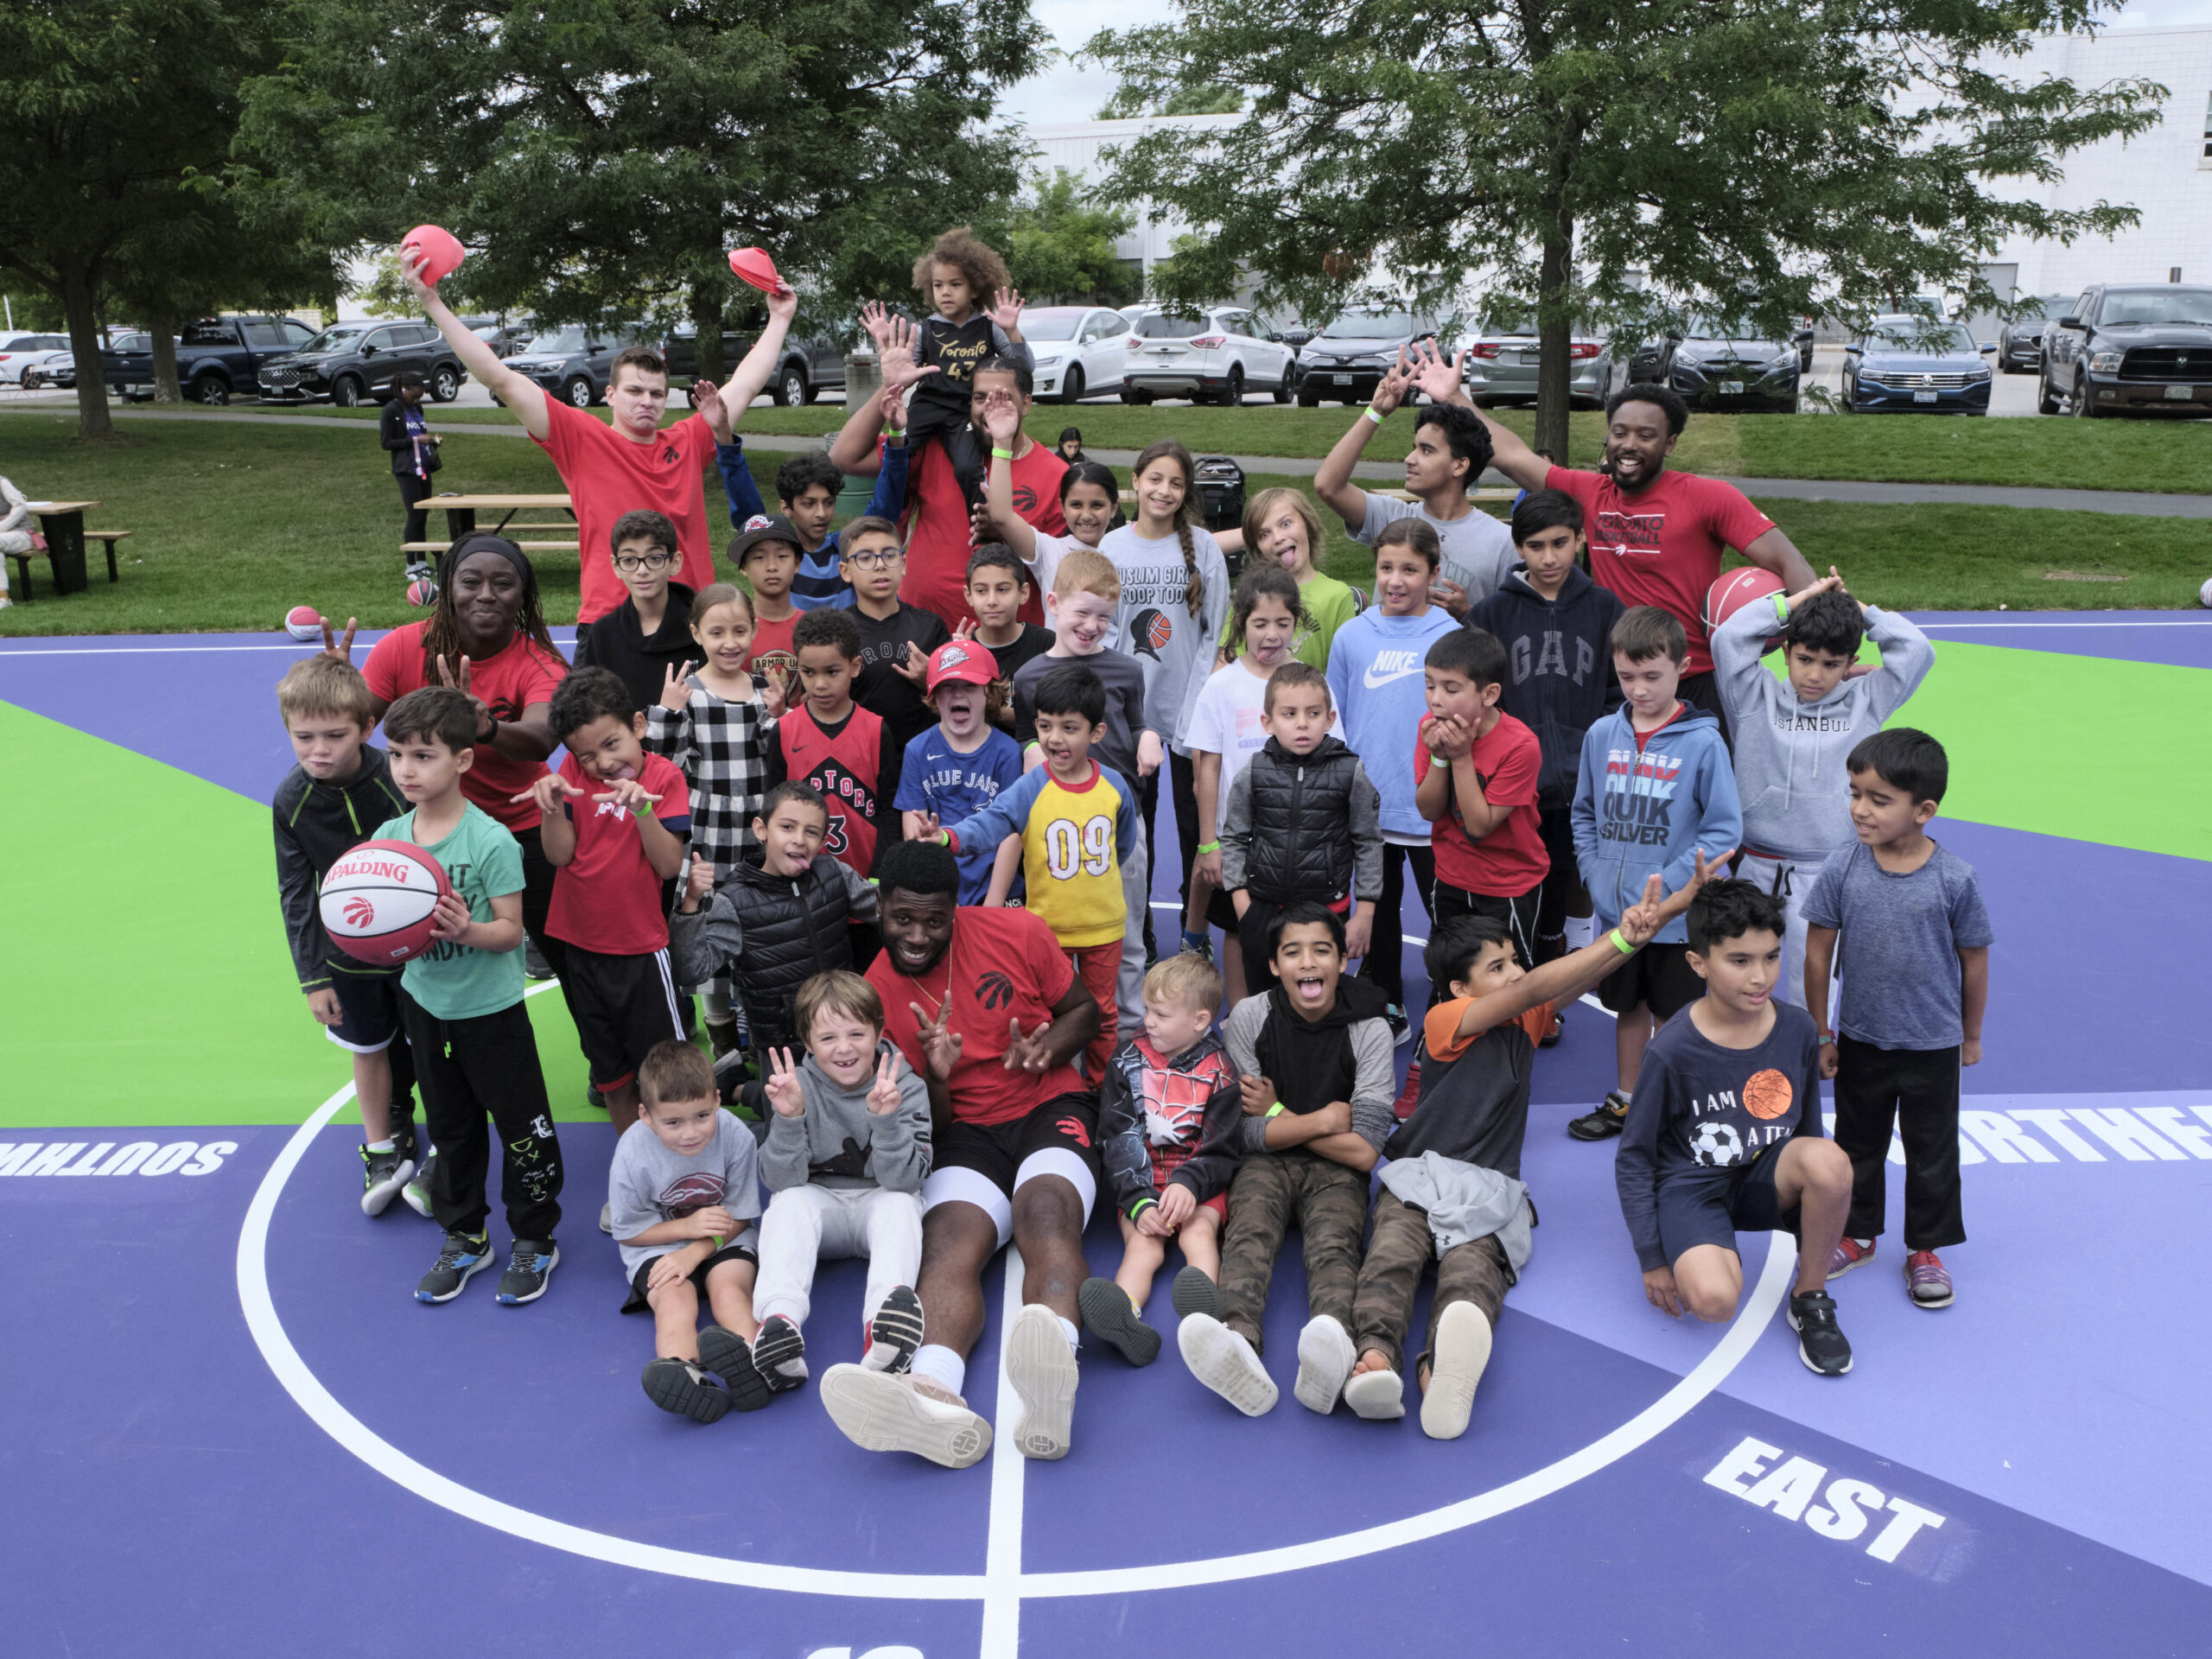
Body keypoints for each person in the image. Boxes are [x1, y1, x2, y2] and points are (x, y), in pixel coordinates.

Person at [1348, 869, 1696, 1437]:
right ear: (1459, 989)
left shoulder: (1524, 1019)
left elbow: (1582, 976)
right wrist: (1617, 938)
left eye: (1515, 960)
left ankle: (1440, 1372)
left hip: (1489, 1186)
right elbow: (1536, 989)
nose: (1515, 971)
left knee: (1473, 1277)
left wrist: (1645, 929)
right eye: (1498, 967)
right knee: (1392, 1254)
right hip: (1420, 1176)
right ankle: (1374, 1357)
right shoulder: (1445, 1020)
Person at [822, 839, 1104, 1470]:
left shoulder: (1019, 932)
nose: (917, 936)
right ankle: (932, 1395)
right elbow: (933, 1122)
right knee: (948, 1246)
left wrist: (1047, 1050)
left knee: (1045, 1213)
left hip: (1050, 1104)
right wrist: (939, 1077)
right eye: (902, 918)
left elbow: (1083, 1011)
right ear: (878, 908)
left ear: (957, 909)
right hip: (963, 1132)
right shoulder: (872, 1000)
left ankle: (1052, 1373)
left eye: (934, 920)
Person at [403, 241, 798, 624]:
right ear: (609, 395)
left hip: (687, 618)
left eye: (656, 394)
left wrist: (779, 318)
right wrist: (431, 300)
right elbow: (499, 378)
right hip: (608, 620)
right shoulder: (579, 437)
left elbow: (746, 383)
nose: (647, 401)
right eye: (634, 391)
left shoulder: (689, 439)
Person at [1419, 344, 1818, 716]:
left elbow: (1789, 563)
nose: (1629, 445)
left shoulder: (1710, 497)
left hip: (1694, 680)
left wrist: (1818, 647)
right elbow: (1511, 455)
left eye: (1646, 436)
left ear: (1670, 444)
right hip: (1620, 683)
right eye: (1620, 432)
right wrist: (1454, 397)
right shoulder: (1590, 492)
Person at [1614, 880, 1858, 1378]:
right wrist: (1652, 1257)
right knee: (1714, 1302)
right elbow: (1635, 1156)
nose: (1760, 976)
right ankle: (1707, 1243)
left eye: (1771, 957)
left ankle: (1810, 1295)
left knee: (1829, 1162)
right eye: (1740, 960)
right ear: (1698, 963)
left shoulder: (1798, 1029)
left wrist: (1812, 1208)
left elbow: (1807, 1130)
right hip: (1693, 1188)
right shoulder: (1671, 1049)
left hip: (1766, 1176)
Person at [374, 686, 563, 1307]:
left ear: (462, 760)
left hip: (491, 1014)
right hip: (427, 1008)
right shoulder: (389, 839)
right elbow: (379, 924)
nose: (406, 769)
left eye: (423, 755)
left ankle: (535, 1237)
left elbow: (511, 932)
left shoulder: (490, 841)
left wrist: (465, 931)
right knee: (450, 1128)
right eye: (397, 754)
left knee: (523, 1129)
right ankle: (466, 1236)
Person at [1177, 903, 1396, 1418]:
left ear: (1342, 960)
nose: (1308, 963)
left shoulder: (1371, 1030)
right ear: (1274, 965)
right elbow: (1244, 1133)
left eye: (1322, 950)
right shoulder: (1250, 1018)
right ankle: (1237, 1342)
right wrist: (1323, 1120)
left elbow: (1365, 1151)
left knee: (1335, 1247)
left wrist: (1278, 1115)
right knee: (1248, 1232)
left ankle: (1333, 1345)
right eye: (1293, 952)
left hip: (1336, 1169)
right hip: (1268, 1162)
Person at [1803, 728, 1991, 1311]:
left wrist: (1971, 1034)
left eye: (1879, 799)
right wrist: (1822, 1031)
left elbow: (1975, 960)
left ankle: (1925, 1249)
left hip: (1933, 1044)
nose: (1860, 809)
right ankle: (1857, 1234)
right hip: (1861, 1040)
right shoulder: (1842, 867)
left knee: (1932, 1150)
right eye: (1855, 793)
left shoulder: (1955, 878)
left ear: (1924, 811)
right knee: (1857, 1142)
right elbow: (1817, 954)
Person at [1713, 570, 1935, 1011]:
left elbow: (1917, 650)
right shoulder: (1753, 696)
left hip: (1827, 872)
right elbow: (1729, 638)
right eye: (1805, 659)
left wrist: (1858, 609)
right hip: (1754, 866)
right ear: (1786, 652)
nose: (1814, 675)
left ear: (1851, 662)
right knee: (1736, 980)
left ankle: (1813, 1045)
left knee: (1811, 985)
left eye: (1831, 664)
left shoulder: (1866, 700)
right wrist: (1802, 598)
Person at [352, 535, 570, 976]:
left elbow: (543, 736)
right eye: (471, 582)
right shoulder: (400, 647)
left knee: (574, 962)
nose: (486, 594)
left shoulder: (540, 662)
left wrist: (488, 728)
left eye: (503, 584)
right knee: (422, 959)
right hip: (432, 835)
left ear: (523, 595)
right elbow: (356, 725)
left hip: (519, 829)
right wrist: (334, 687)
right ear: (449, 587)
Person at [1567, 607, 1742, 1141]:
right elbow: (1584, 814)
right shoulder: (1601, 735)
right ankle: (1626, 1100)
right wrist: (1596, 876)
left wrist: (1668, 892)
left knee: (1674, 1013)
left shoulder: (1704, 742)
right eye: (1626, 677)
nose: (1639, 689)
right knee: (1628, 1007)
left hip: (1675, 918)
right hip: (1619, 913)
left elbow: (1723, 830)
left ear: (1682, 668)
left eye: (1652, 676)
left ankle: (1672, 1107)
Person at [921, 663, 1141, 1080]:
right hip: (1046, 932)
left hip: (1104, 929)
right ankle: (1055, 1087)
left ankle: (1100, 1089)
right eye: (1045, 726)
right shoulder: (1031, 787)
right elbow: (991, 824)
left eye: (1069, 728)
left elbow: (1123, 844)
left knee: (1102, 1014)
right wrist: (949, 837)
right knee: (1045, 1014)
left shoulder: (1114, 786)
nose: (1055, 738)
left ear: (1096, 732)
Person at [521, 667, 691, 1166]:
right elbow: (559, 856)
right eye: (586, 755)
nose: (602, 763)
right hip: (581, 950)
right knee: (612, 1077)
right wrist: (552, 808)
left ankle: (684, 1168)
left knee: (666, 1073)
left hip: (641, 952)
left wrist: (643, 812)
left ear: (638, 725)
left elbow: (668, 865)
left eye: (611, 744)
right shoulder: (573, 776)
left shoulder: (664, 777)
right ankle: (637, 1168)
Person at [271, 655, 420, 1215]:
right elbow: (296, 893)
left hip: (420, 953)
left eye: (335, 735)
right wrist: (313, 978)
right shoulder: (291, 802)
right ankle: (382, 1149)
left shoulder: (399, 779)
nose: (319, 750)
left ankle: (449, 1149)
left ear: (366, 727)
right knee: (368, 1048)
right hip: (347, 959)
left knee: (433, 1048)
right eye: (303, 736)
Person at [745, 969, 932, 1389]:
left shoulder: (905, 1086)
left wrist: (886, 1122)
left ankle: (883, 1333)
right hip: (820, 1205)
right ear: (808, 1043)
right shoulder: (794, 1086)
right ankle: (779, 1325)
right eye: (828, 1038)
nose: (844, 1048)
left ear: (878, 1033)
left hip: (880, 1200)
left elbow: (906, 1181)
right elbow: (780, 1181)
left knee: (902, 1206)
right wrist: (788, 1119)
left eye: (856, 1034)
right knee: (787, 1205)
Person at [1468, 489, 1624, 980]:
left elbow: (1621, 690)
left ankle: (1549, 986)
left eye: (1560, 543)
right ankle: (1509, 980)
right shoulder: (1491, 614)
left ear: (1579, 539)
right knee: (1515, 889)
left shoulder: (1605, 608)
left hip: (1580, 780)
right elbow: (1476, 696)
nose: (1549, 557)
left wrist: (1595, 746)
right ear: (1518, 548)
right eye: (1536, 546)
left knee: (1562, 880)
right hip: (1514, 784)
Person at [1012, 549, 1162, 1032]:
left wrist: (1150, 738)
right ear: (1053, 603)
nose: (1092, 626)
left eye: (1104, 616)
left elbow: (1136, 723)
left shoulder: (1127, 670)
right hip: (1057, 825)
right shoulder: (1029, 676)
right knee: (1057, 933)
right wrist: (1030, 751)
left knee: (1127, 931)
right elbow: (1024, 734)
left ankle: (1129, 1030)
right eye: (1083, 612)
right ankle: (1060, 1028)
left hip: (1119, 818)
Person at [1325, 518, 1460, 1033]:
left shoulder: (1451, 636)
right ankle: (1387, 1001)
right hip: (1369, 808)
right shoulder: (1352, 635)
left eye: (1410, 569)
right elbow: (1336, 717)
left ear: (1434, 573)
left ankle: (1453, 1004)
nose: (1396, 580)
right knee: (1377, 912)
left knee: (1447, 915)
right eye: (1386, 568)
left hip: (1431, 807)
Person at [830, 334, 1065, 631]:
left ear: (1026, 404)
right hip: (923, 633)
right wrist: (890, 386)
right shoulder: (936, 447)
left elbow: (1062, 570)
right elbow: (844, 457)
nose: (989, 408)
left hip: (1009, 640)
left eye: (1002, 398)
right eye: (979, 398)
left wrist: (1009, 531)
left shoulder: (1056, 474)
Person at [1079, 954, 1244, 1367]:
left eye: (1161, 1015)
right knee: (1142, 1245)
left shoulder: (1222, 1071)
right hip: (1142, 1180)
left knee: (1198, 1234)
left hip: (1199, 1184)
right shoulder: (1126, 1060)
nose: (1148, 1022)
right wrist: (1138, 1200)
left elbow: (1221, 1146)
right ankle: (1124, 1315)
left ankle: (1204, 1319)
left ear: (1200, 1020)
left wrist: (1190, 1184)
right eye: (1148, 1010)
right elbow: (1117, 1136)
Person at [670, 781, 882, 1096]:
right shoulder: (735, 900)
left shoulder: (833, 872)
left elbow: (886, 908)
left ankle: (739, 1089)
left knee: (853, 1107)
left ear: (823, 841)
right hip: (783, 1046)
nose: (799, 839)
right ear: (761, 829)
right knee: (789, 1114)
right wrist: (690, 904)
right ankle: (740, 1089)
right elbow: (692, 971)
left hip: (843, 1031)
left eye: (811, 832)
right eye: (787, 827)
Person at [645, 581, 785, 1056]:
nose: (730, 642)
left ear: (755, 630)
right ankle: (722, 1035)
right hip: (709, 830)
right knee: (708, 923)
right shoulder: (690, 693)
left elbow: (777, 758)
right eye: (717, 632)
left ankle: (755, 1029)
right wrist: (667, 712)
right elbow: (662, 764)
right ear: (696, 634)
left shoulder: (764, 690)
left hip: (758, 829)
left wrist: (779, 716)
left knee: (755, 921)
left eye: (740, 631)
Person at [1101, 438, 1232, 942]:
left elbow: (1213, 635)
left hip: (1190, 718)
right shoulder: (1112, 547)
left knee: (1195, 832)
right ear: (1135, 482)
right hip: (1129, 720)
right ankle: (1141, 935)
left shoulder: (1204, 548)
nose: (1164, 490)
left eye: (1176, 483)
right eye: (1154, 479)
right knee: (1136, 834)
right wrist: (1122, 711)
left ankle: (1192, 933)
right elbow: (1106, 634)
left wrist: (1193, 712)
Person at [610, 1041, 770, 1423]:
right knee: (674, 1303)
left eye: (702, 1115)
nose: (690, 1133)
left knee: (730, 1291)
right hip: (658, 1245)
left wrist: (697, 1249)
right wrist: (685, 1230)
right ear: (646, 1115)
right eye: (674, 1122)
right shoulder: (631, 1153)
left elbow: (741, 1215)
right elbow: (628, 1232)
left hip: (725, 1237)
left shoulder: (736, 1136)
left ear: (717, 1101)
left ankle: (756, 1362)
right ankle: (685, 1372)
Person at [1220, 661, 1382, 1001]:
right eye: (1289, 714)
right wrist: (1241, 902)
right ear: (1268, 722)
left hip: (1327, 909)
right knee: (1264, 1001)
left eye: (1313, 713)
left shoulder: (1351, 772)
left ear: (1330, 719)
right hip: (1263, 908)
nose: (1302, 723)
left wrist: (1365, 911)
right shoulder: (1254, 771)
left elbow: (1367, 842)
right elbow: (1233, 837)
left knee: (1317, 999)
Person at [1185, 565, 1308, 985]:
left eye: (1283, 623)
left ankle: (1288, 1012)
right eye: (1260, 624)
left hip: (1295, 841)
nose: (1272, 634)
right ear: (1241, 623)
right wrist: (1209, 844)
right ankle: (1241, 1015)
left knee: (1293, 930)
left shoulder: (1309, 684)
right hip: (1239, 841)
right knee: (1239, 930)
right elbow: (1208, 767)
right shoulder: (1221, 686)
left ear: (1296, 622)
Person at [1313, 363, 1516, 616]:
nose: (1409, 459)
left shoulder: (1501, 542)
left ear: (1459, 465)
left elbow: (1514, 623)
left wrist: (1469, 613)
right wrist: (1376, 411)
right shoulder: (1394, 518)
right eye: (1414, 448)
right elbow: (1328, 486)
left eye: (1426, 450)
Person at [717, 361, 915, 613]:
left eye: (828, 502)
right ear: (786, 508)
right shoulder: (779, 554)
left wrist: (896, 433)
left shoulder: (847, 547)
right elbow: (748, 509)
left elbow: (886, 507)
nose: (821, 513)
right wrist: (724, 437)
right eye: (809, 504)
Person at [1416, 627, 1549, 963]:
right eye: (1430, 685)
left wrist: (1460, 757)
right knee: (1451, 972)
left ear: (1489, 694)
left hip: (1506, 886)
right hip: (1451, 876)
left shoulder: (1520, 745)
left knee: (1507, 979)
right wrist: (1439, 758)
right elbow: (1429, 811)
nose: (1436, 699)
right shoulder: (1432, 726)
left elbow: (1478, 826)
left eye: (1451, 689)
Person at [899, 227, 1032, 512]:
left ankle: (982, 519)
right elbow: (904, 371)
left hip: (965, 412)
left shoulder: (988, 327)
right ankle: (894, 510)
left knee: (967, 468)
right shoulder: (925, 329)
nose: (945, 292)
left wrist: (1013, 332)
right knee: (898, 452)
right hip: (928, 405)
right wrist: (897, 363)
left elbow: (1023, 369)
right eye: (938, 285)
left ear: (974, 288)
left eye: (955, 284)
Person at [767, 608, 901, 879]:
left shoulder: (876, 730)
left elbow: (890, 810)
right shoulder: (784, 730)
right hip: (801, 881)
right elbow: (773, 810)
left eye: (831, 672)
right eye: (808, 672)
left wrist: (879, 875)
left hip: (866, 879)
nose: (820, 684)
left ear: (855, 666)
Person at [894, 640, 1024, 906]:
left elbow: (1012, 833)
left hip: (997, 888)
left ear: (990, 693)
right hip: (939, 884)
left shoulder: (1008, 752)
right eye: (947, 687)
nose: (958, 694)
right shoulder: (917, 749)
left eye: (970, 686)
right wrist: (932, 893)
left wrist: (993, 903)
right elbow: (913, 826)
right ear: (933, 694)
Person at [571, 509, 698, 719]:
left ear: (675, 562)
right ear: (616, 566)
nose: (642, 570)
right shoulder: (602, 634)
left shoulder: (702, 628)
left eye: (654, 558)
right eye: (629, 560)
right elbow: (586, 711)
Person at [842, 515, 950, 754]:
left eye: (890, 555)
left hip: (923, 757)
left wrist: (931, 679)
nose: (880, 565)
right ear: (845, 571)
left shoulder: (930, 626)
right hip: (858, 756)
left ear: (903, 564)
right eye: (865, 558)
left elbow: (956, 697)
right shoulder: (837, 631)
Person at [1229, 486, 1364, 671]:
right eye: (1264, 534)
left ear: (1307, 524)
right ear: (1258, 547)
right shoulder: (1246, 595)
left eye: (1285, 524)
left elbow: (1345, 672)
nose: (1278, 538)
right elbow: (1227, 662)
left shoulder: (1338, 595)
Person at [961, 542, 1056, 713]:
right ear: (969, 595)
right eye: (981, 591)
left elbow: (1055, 714)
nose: (992, 601)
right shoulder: (960, 652)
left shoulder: (1048, 645)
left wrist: (990, 709)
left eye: (1003, 589)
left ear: (1023, 593)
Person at [728, 515, 804, 683]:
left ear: (797, 563)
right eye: (759, 557)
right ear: (743, 567)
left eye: (782, 556)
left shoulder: (812, 628)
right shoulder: (731, 631)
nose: (771, 566)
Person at [379, 368, 441, 565]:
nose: (416, 401)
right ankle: (411, 564)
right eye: (414, 396)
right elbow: (386, 443)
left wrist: (431, 440)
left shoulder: (417, 409)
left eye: (419, 398)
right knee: (414, 515)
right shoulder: (391, 410)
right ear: (403, 389)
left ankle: (422, 561)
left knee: (423, 516)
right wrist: (415, 440)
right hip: (406, 469)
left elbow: (419, 433)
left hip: (424, 468)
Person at [0, 471, 35, 606]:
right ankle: (3, 598)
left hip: (22, 533)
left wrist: (2, 527)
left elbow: (20, 506)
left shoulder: (2, 482)